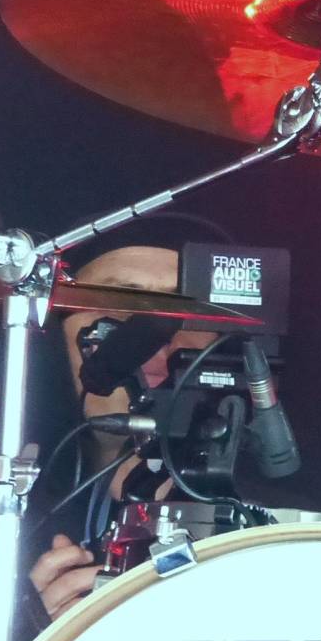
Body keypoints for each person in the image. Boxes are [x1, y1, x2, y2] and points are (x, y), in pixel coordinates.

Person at [27, 245, 215, 620]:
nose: (156, 334)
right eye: (116, 303)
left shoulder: (280, 509)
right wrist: (33, 637)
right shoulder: (4, 504)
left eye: (185, 308)